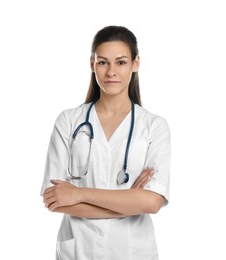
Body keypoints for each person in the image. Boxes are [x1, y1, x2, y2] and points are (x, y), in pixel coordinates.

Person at [41, 25, 171, 260]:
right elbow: (55, 200)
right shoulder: (69, 121)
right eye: (103, 62)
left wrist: (78, 194)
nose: (111, 71)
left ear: (136, 63)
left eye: (121, 62)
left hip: (132, 251)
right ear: (92, 64)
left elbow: (152, 202)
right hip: (79, 250)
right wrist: (129, 202)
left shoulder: (154, 126)